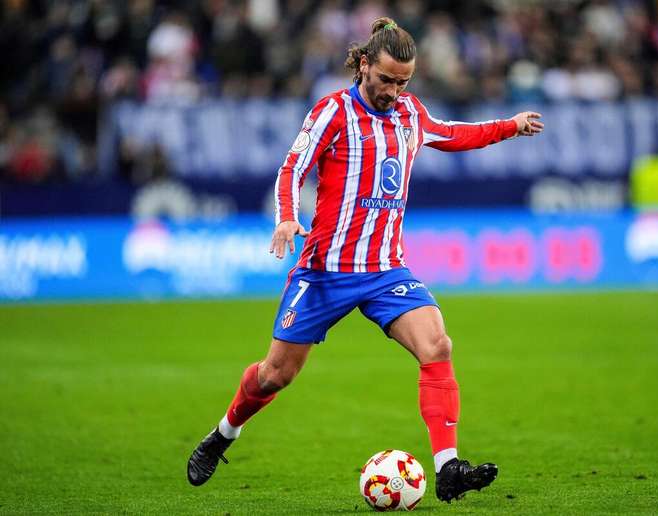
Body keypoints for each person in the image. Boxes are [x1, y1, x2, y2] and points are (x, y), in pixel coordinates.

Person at [187, 16, 543, 503]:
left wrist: (510, 126)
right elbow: (293, 167)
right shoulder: (332, 112)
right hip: (324, 272)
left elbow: (454, 134)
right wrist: (287, 217)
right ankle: (223, 434)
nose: (393, 91)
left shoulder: (411, 113)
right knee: (276, 375)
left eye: (403, 82)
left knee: (437, 345)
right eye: (386, 79)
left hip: (384, 271)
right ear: (361, 65)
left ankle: (448, 468)